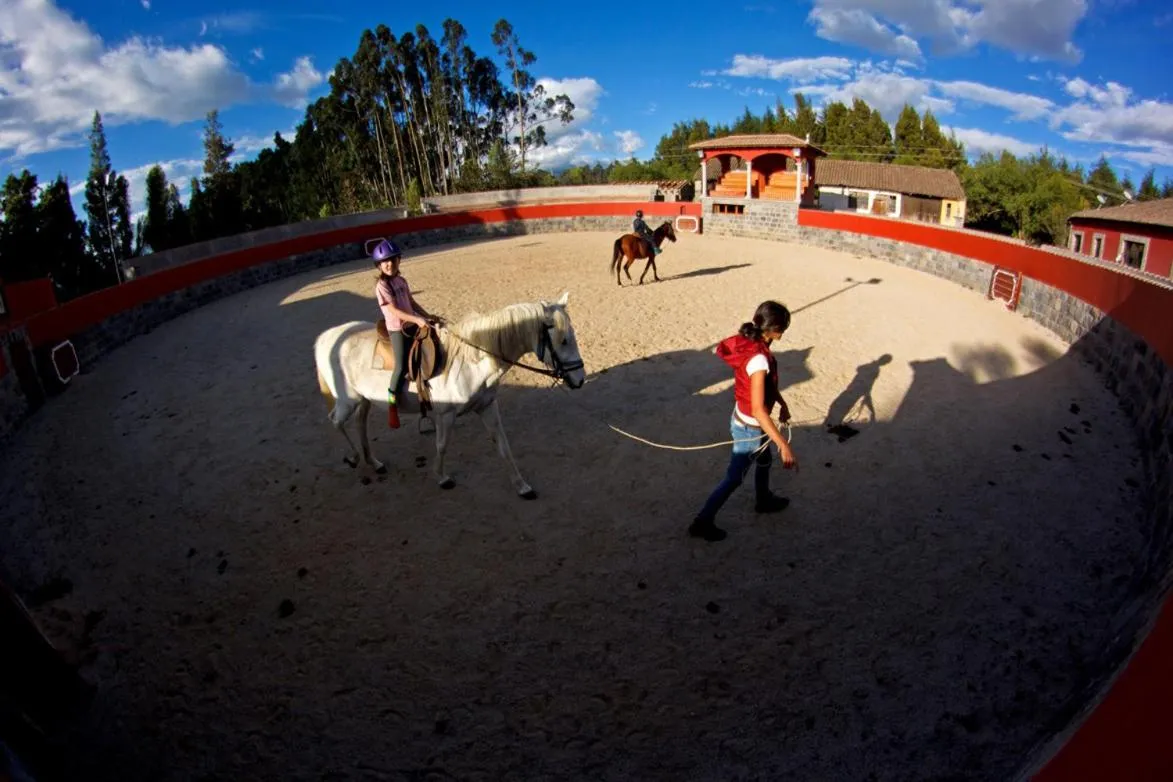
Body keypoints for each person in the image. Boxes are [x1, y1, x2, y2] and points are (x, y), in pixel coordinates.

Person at [689, 300, 798, 542]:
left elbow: (764, 388)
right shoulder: (759, 361)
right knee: (734, 478)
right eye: (784, 326)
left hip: (745, 418)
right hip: (750, 428)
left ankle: (763, 499)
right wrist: (783, 443)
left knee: (764, 460)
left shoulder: (752, 343)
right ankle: (702, 521)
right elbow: (759, 411)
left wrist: (782, 402)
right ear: (775, 329)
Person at [369, 237, 438, 429]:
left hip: (412, 325)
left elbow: (412, 303)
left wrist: (427, 315)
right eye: (385, 262)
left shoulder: (401, 281)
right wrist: (416, 319)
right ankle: (392, 402)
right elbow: (394, 310)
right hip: (397, 329)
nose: (389, 264)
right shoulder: (382, 286)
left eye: (392, 260)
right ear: (379, 265)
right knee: (400, 366)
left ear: (399, 260)